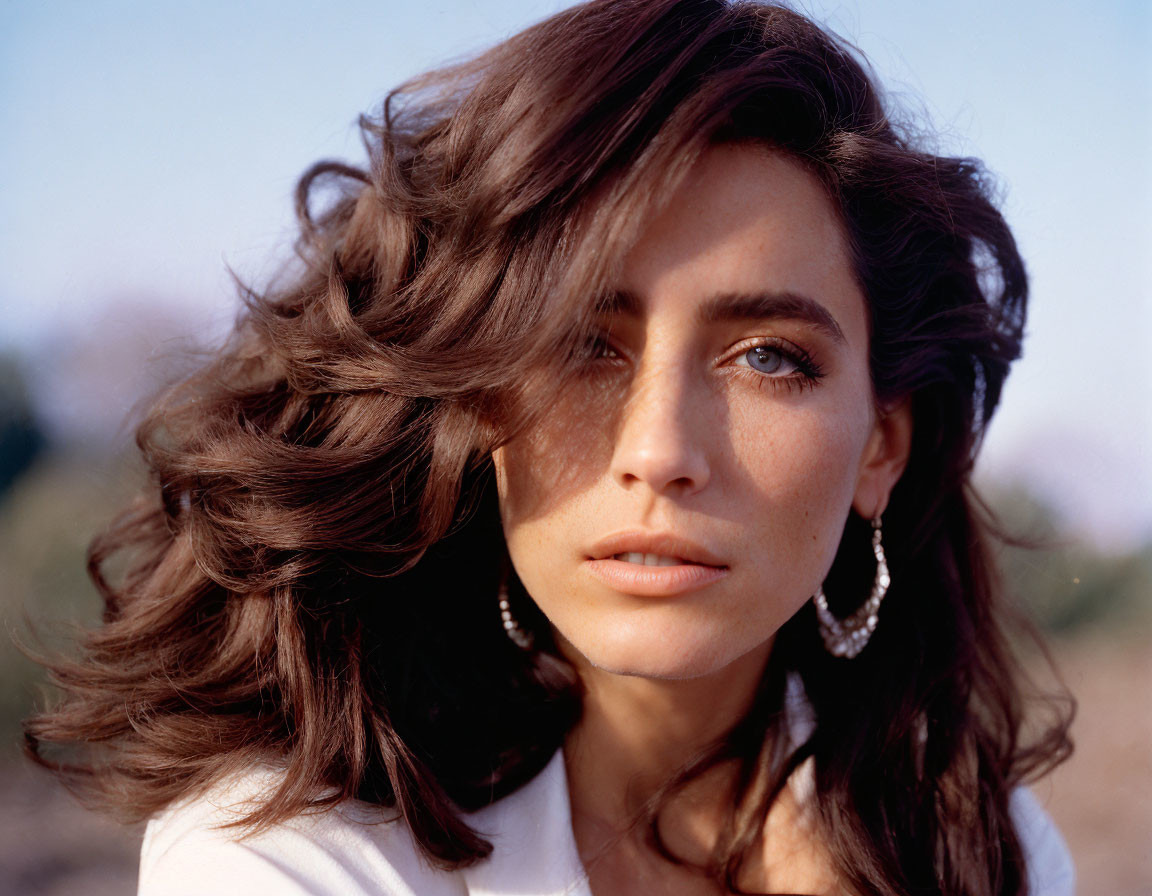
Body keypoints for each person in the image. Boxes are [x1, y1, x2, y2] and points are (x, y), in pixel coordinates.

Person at [24, 1, 1076, 893]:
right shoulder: (294, 851)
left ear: (882, 444)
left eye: (767, 357)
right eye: (582, 343)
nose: (660, 450)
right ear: (480, 400)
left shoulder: (987, 848)